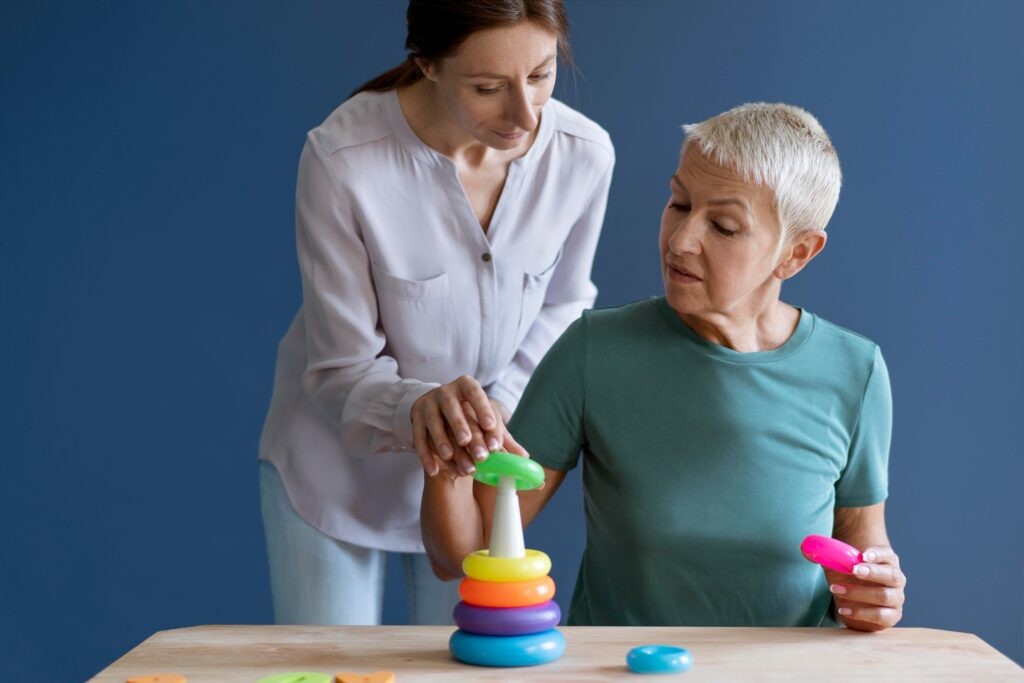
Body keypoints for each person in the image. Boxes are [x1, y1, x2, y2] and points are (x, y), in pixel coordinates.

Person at [423, 103, 906, 631]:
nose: (681, 240)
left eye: (723, 226)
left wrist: (875, 594)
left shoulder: (854, 371)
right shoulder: (594, 350)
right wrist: (448, 447)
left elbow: (863, 552)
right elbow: (462, 553)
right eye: (679, 203)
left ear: (796, 254)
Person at [257, 0, 614, 626]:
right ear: (426, 65)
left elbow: (565, 304)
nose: (525, 115)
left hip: (477, 480)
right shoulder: (343, 160)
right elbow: (339, 364)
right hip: (335, 477)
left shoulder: (584, 155)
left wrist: (492, 407)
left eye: (541, 74)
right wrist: (418, 408)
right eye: (487, 88)